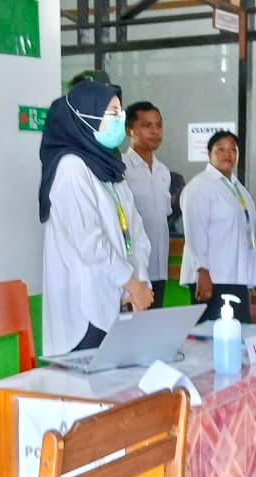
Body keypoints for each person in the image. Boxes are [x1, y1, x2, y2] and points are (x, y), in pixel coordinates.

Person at [40, 82, 154, 356]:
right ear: (85, 117)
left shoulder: (111, 169)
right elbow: (90, 243)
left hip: (121, 298)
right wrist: (131, 283)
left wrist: (139, 282)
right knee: (88, 380)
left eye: (120, 112)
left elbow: (136, 232)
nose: (120, 119)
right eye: (112, 113)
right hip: (84, 309)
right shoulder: (70, 169)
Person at [181, 131, 256, 322]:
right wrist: (202, 270)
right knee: (213, 334)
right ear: (209, 153)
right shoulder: (200, 186)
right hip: (213, 278)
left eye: (233, 150)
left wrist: (255, 269)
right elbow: (195, 231)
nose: (227, 154)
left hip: (236, 278)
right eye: (220, 149)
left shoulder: (238, 189)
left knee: (239, 332)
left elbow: (245, 232)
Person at [122, 101, 173, 308]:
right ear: (129, 130)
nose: (155, 131)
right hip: (133, 272)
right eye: (146, 125)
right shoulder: (121, 169)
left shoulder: (163, 172)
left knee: (155, 323)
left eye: (158, 125)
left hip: (159, 269)